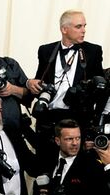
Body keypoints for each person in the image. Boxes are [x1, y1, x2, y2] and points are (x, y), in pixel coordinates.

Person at [27, 10, 104, 163]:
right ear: (64, 29)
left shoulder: (92, 51)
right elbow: (40, 80)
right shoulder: (46, 50)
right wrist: (31, 83)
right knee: (46, 164)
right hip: (50, 118)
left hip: (77, 118)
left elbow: (100, 89)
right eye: (78, 26)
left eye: (84, 26)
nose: (83, 30)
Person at [31, 119, 109, 195]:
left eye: (78, 138)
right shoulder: (47, 162)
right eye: (69, 139)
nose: (75, 143)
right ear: (57, 141)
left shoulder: (92, 166)